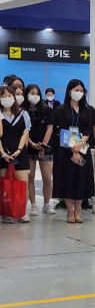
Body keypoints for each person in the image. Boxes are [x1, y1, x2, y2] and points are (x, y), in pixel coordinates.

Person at [52, 80, 95, 224]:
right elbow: (62, 130)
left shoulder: (88, 109)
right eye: (76, 89)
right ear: (69, 91)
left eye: (81, 90)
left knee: (81, 181)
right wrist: (74, 150)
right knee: (68, 181)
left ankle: (78, 211)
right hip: (66, 151)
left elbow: (89, 129)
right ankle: (70, 212)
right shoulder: (61, 109)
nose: (79, 92)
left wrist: (80, 143)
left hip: (83, 148)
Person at [23, 84, 56, 217]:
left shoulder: (46, 110)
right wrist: (32, 145)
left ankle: (47, 204)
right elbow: (24, 131)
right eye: (32, 93)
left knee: (47, 178)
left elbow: (50, 129)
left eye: (37, 93)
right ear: (27, 95)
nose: (34, 96)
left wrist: (43, 146)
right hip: (29, 147)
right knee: (30, 178)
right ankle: (33, 205)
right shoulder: (23, 111)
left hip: (46, 146)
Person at [0, 86, 31, 223]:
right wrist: (3, 154)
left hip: (20, 154)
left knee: (22, 184)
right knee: (5, 185)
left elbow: (25, 133)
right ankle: (6, 212)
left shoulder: (24, 114)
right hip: (3, 155)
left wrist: (18, 151)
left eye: (9, 96)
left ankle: (21, 212)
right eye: (3, 96)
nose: (7, 99)